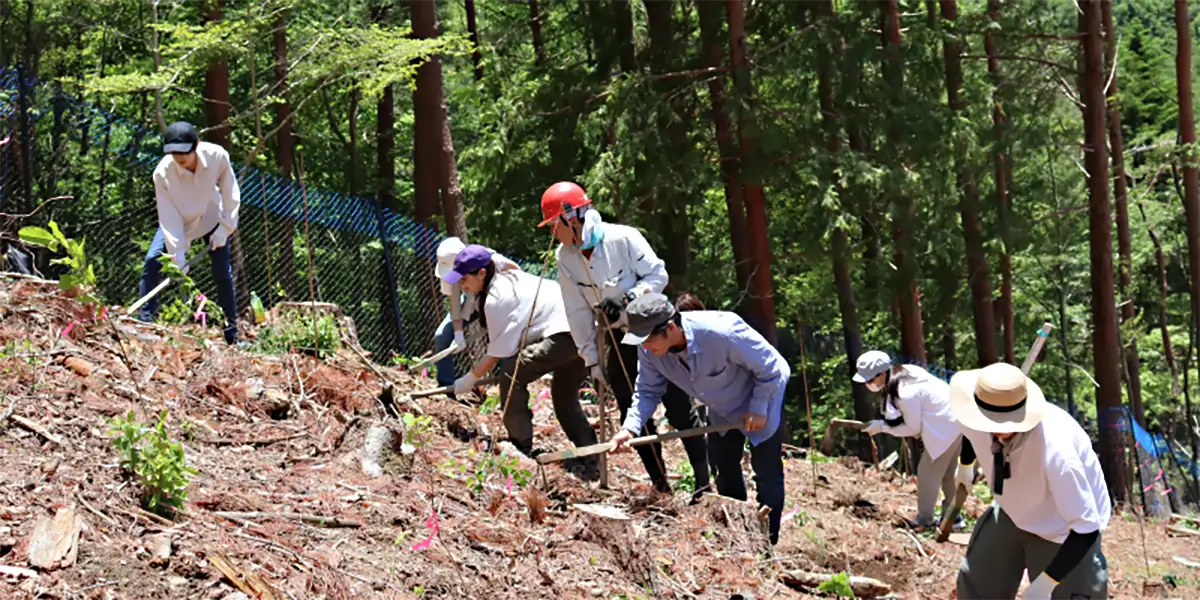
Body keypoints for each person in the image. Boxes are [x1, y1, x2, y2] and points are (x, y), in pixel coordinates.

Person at [539, 182, 711, 494]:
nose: (552, 233)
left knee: (677, 405)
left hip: (655, 329)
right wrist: (591, 360)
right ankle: (661, 487)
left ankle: (703, 484)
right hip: (619, 341)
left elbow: (658, 275)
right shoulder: (566, 259)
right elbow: (576, 311)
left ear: (571, 218)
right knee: (631, 409)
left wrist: (629, 297)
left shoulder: (623, 237)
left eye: (553, 225)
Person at [610, 294, 791, 544]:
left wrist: (759, 407)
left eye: (647, 339)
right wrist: (629, 429)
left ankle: (767, 542)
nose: (644, 346)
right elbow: (647, 391)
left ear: (671, 328)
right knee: (723, 466)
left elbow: (773, 367)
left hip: (761, 398)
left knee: (767, 473)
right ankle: (738, 538)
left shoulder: (722, 331)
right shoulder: (650, 351)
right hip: (722, 408)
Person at [950, 363, 1110, 600]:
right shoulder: (973, 408)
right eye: (985, 423)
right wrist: (965, 465)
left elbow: (1085, 528)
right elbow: (969, 432)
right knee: (977, 585)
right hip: (1011, 510)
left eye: (999, 426)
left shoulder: (1057, 453)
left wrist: (1046, 583)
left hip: (1063, 530)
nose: (990, 431)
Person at [445, 245, 598, 462]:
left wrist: (471, 378)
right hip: (583, 330)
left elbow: (499, 353)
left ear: (481, 273)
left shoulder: (497, 298)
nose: (462, 285)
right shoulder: (507, 276)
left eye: (464, 279)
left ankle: (520, 444)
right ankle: (590, 451)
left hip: (564, 334)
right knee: (563, 394)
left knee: (512, 372)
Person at [139, 121, 240, 344]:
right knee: (152, 261)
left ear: (197, 146)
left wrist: (225, 228)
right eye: (173, 152)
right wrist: (179, 255)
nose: (179, 157)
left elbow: (230, 193)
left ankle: (231, 333)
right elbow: (168, 216)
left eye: (183, 151)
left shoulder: (217, 157)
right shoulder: (162, 174)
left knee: (222, 273)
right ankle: (144, 322)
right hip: (180, 222)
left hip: (212, 217)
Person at [853, 350, 963, 530]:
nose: (867, 385)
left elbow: (913, 428)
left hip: (946, 425)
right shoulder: (905, 372)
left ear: (882, 373)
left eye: (870, 380)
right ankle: (953, 518)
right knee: (947, 474)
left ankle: (924, 521)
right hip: (956, 417)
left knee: (927, 473)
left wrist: (882, 427)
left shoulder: (905, 393)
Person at [430, 236, 519, 388]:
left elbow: (517, 273)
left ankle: (507, 385)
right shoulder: (448, 275)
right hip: (470, 304)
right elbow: (455, 303)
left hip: (498, 302)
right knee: (442, 337)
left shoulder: (489, 260)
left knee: (503, 342)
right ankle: (446, 387)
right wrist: (458, 333)